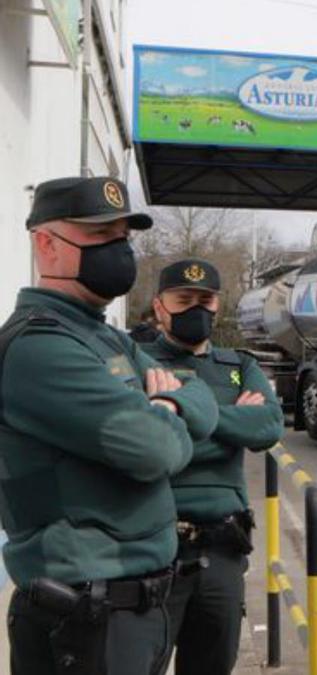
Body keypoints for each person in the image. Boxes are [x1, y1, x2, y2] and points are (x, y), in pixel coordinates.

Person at [0, 176, 218, 674]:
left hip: (133, 608)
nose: (118, 250)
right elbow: (155, 450)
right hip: (86, 613)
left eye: (123, 237)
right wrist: (164, 408)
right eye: (100, 237)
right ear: (46, 245)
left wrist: (171, 405)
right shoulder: (40, 347)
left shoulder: (106, 338)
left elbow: (202, 400)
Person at [143, 258, 284, 675]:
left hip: (222, 547)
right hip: (153, 549)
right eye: (183, 299)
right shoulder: (138, 361)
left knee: (213, 664)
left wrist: (184, 414)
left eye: (205, 299)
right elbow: (146, 443)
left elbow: (267, 428)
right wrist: (228, 422)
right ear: (159, 306)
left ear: (218, 305)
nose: (195, 309)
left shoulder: (239, 367)